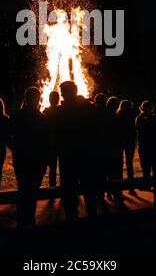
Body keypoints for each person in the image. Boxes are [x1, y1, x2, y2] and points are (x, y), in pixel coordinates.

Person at [56, 81, 98, 219]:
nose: (61, 94)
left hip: (72, 157)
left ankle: (74, 220)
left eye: (63, 91)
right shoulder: (89, 108)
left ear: (69, 92)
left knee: (71, 191)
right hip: (86, 155)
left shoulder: (63, 111)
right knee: (89, 190)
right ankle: (90, 217)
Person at [11, 87, 50, 227]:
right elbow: (47, 142)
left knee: (23, 188)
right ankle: (29, 219)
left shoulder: (16, 116)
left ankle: (23, 220)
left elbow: (10, 136)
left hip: (22, 158)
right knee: (33, 190)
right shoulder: (42, 118)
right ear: (38, 99)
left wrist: (15, 148)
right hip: (36, 161)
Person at [136, 100, 156, 188]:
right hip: (151, 145)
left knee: (146, 166)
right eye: (150, 107)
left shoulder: (139, 117)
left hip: (145, 145)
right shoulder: (150, 118)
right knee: (153, 166)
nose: (151, 109)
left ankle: (147, 184)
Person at [105, 96, 123, 204]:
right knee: (115, 171)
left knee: (108, 171)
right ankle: (116, 194)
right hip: (114, 148)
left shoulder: (105, 115)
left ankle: (109, 192)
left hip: (107, 148)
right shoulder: (115, 116)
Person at [118, 100, 136, 195]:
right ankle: (131, 187)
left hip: (120, 141)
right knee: (129, 164)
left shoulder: (118, 115)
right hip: (130, 141)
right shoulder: (132, 115)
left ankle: (119, 189)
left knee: (119, 164)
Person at [93, 93, 108, 203]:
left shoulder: (92, 112)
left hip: (95, 146)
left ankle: (98, 193)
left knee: (96, 171)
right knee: (103, 171)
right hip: (104, 145)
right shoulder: (109, 112)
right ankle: (102, 193)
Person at [43, 91, 60, 187]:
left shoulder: (46, 112)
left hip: (50, 143)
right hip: (58, 143)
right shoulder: (61, 111)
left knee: (52, 168)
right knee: (55, 167)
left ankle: (52, 187)